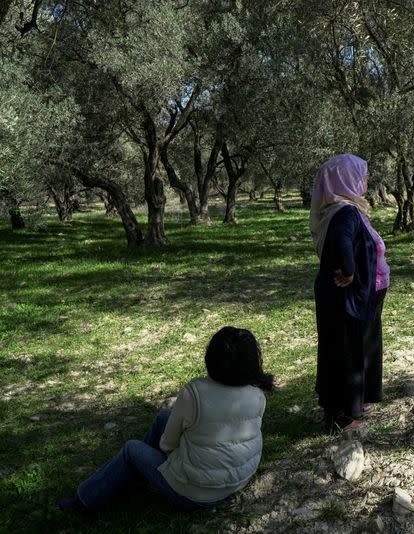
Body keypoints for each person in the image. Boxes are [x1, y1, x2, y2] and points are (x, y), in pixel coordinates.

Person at [58, 326, 274, 513]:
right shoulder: (257, 394)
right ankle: (136, 477)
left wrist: (176, 460)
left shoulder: (195, 393)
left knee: (131, 449)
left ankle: (85, 501)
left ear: (213, 358)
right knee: (163, 416)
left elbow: (167, 444)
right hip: (237, 482)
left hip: (194, 495)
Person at [310, 154, 389, 432]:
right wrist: (350, 270)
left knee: (357, 347)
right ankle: (339, 415)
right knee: (342, 350)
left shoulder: (346, 208)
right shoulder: (344, 211)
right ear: (345, 179)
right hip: (345, 296)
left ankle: (356, 400)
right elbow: (343, 241)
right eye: (361, 174)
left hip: (357, 294)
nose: (366, 179)